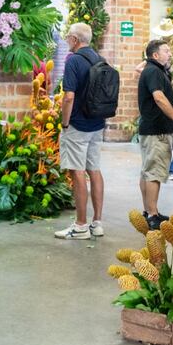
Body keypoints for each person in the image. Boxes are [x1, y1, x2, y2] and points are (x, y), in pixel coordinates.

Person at [54, 23, 107, 240]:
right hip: (97, 124)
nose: (67, 41)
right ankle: (97, 223)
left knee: (77, 173)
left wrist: (65, 123)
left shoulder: (74, 60)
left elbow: (68, 96)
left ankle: (80, 226)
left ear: (75, 39)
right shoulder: (100, 59)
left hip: (77, 125)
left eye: (68, 38)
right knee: (94, 170)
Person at [138, 40, 173, 230]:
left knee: (147, 171)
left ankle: (148, 211)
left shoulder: (157, 71)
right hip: (157, 132)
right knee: (154, 173)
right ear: (155, 55)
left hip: (152, 130)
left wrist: (170, 65)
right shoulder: (153, 72)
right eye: (166, 51)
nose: (170, 53)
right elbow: (159, 97)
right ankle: (152, 215)